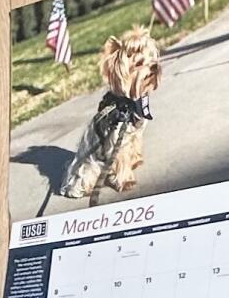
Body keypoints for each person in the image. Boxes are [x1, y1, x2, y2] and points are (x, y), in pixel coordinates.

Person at [57, 28, 164, 206]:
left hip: (116, 140)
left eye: (150, 60)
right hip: (92, 162)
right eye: (139, 64)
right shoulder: (116, 113)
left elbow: (135, 132)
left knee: (132, 136)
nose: (151, 66)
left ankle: (134, 157)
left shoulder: (138, 105)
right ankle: (121, 175)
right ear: (120, 72)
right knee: (117, 146)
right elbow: (117, 147)